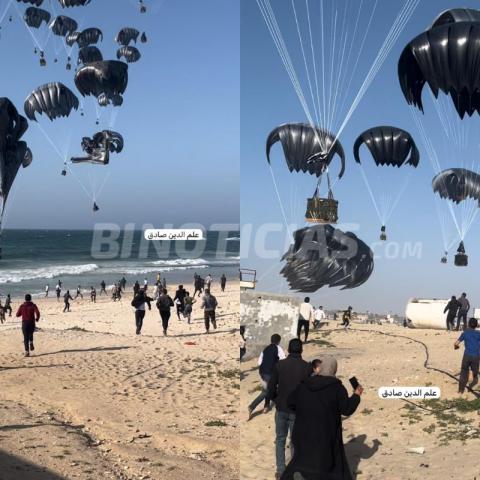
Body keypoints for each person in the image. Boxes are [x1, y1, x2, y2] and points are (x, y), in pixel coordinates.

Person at [281, 357, 363, 480]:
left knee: (302, 460)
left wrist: (305, 411)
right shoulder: (336, 388)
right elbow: (347, 409)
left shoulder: (305, 384)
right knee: (328, 464)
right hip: (326, 433)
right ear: (334, 370)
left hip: (303, 432)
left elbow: (290, 402)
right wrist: (356, 395)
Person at [264, 338, 311, 480]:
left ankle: (280, 470)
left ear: (289, 350)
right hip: (298, 411)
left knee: (280, 440)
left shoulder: (280, 365)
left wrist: (274, 400)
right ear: (301, 350)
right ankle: (294, 470)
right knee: (295, 441)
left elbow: (271, 388)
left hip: (281, 408)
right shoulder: (307, 367)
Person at [248, 334, 286, 420]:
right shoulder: (278, 348)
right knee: (266, 391)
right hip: (270, 373)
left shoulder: (265, 349)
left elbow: (259, 362)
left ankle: (266, 406)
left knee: (269, 388)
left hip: (262, 372)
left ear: (271, 340)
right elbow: (283, 360)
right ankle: (251, 406)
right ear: (279, 341)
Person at [454, 317, 480, 393]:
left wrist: (456, 347)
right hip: (476, 356)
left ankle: (460, 390)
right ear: (476, 325)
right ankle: (471, 387)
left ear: (468, 324)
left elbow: (456, 343)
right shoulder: (478, 334)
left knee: (463, 372)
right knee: (475, 372)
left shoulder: (465, 333)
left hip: (467, 356)